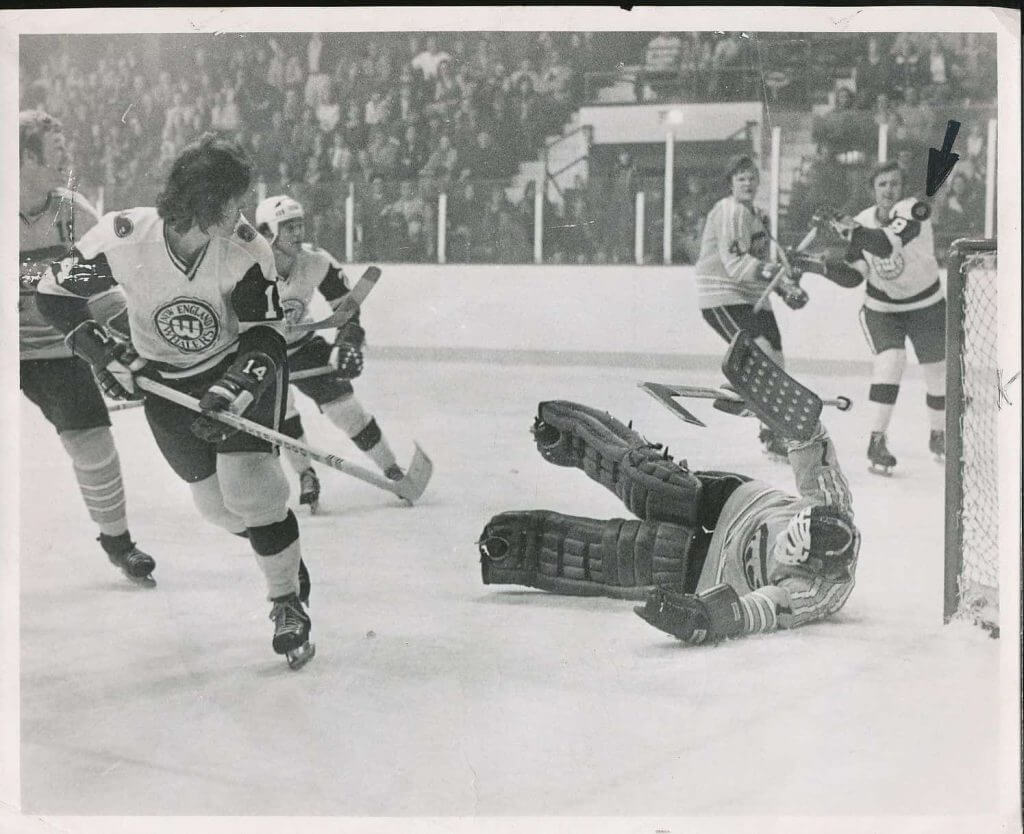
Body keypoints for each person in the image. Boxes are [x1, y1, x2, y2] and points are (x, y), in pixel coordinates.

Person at [35, 134, 314, 668]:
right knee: (216, 508)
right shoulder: (125, 238)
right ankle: (279, 550)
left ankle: (287, 600)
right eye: (233, 205)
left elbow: (266, 335)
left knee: (252, 491)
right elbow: (55, 296)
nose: (241, 217)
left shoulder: (244, 248)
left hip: (234, 372)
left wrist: (239, 386)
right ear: (203, 205)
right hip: (166, 384)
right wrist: (105, 354)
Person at [478, 400, 859, 644]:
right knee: (659, 486)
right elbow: (812, 447)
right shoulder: (832, 504)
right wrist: (783, 413)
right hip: (735, 503)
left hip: (712, 571)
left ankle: (511, 552)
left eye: (790, 551)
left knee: (636, 554)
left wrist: (706, 618)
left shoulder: (817, 592)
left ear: (813, 565)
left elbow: (763, 610)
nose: (783, 544)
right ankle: (570, 435)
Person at [18, 110, 156, 586]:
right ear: (22, 158)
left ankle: (118, 544)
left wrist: (122, 346)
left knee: (95, 446)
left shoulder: (73, 212)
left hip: (59, 351)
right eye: (56, 154)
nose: (67, 162)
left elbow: (104, 294)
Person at [254, 195, 404, 511]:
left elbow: (347, 312)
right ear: (267, 233)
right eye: (288, 227)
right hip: (262, 351)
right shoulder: (247, 265)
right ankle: (306, 474)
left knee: (347, 410)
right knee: (283, 415)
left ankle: (393, 469)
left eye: (299, 225)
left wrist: (346, 343)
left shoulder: (316, 260)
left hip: (304, 345)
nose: (298, 234)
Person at [796, 161, 945, 472]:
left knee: (937, 372)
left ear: (903, 188)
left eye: (894, 183)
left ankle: (939, 434)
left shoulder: (914, 209)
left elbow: (884, 244)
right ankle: (876, 441)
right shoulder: (863, 220)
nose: (889, 190)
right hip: (883, 309)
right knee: (891, 361)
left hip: (926, 305)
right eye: (882, 185)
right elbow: (855, 276)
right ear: (872, 190)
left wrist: (841, 223)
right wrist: (816, 265)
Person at [693, 154, 808, 458]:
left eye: (752, 177)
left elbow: (765, 264)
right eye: (740, 178)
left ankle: (771, 432)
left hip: (752, 296)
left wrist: (786, 288)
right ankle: (735, 389)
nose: (747, 183)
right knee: (761, 353)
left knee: (776, 361)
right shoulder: (729, 211)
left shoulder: (759, 215)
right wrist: (774, 274)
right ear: (730, 183)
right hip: (723, 295)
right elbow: (736, 264)